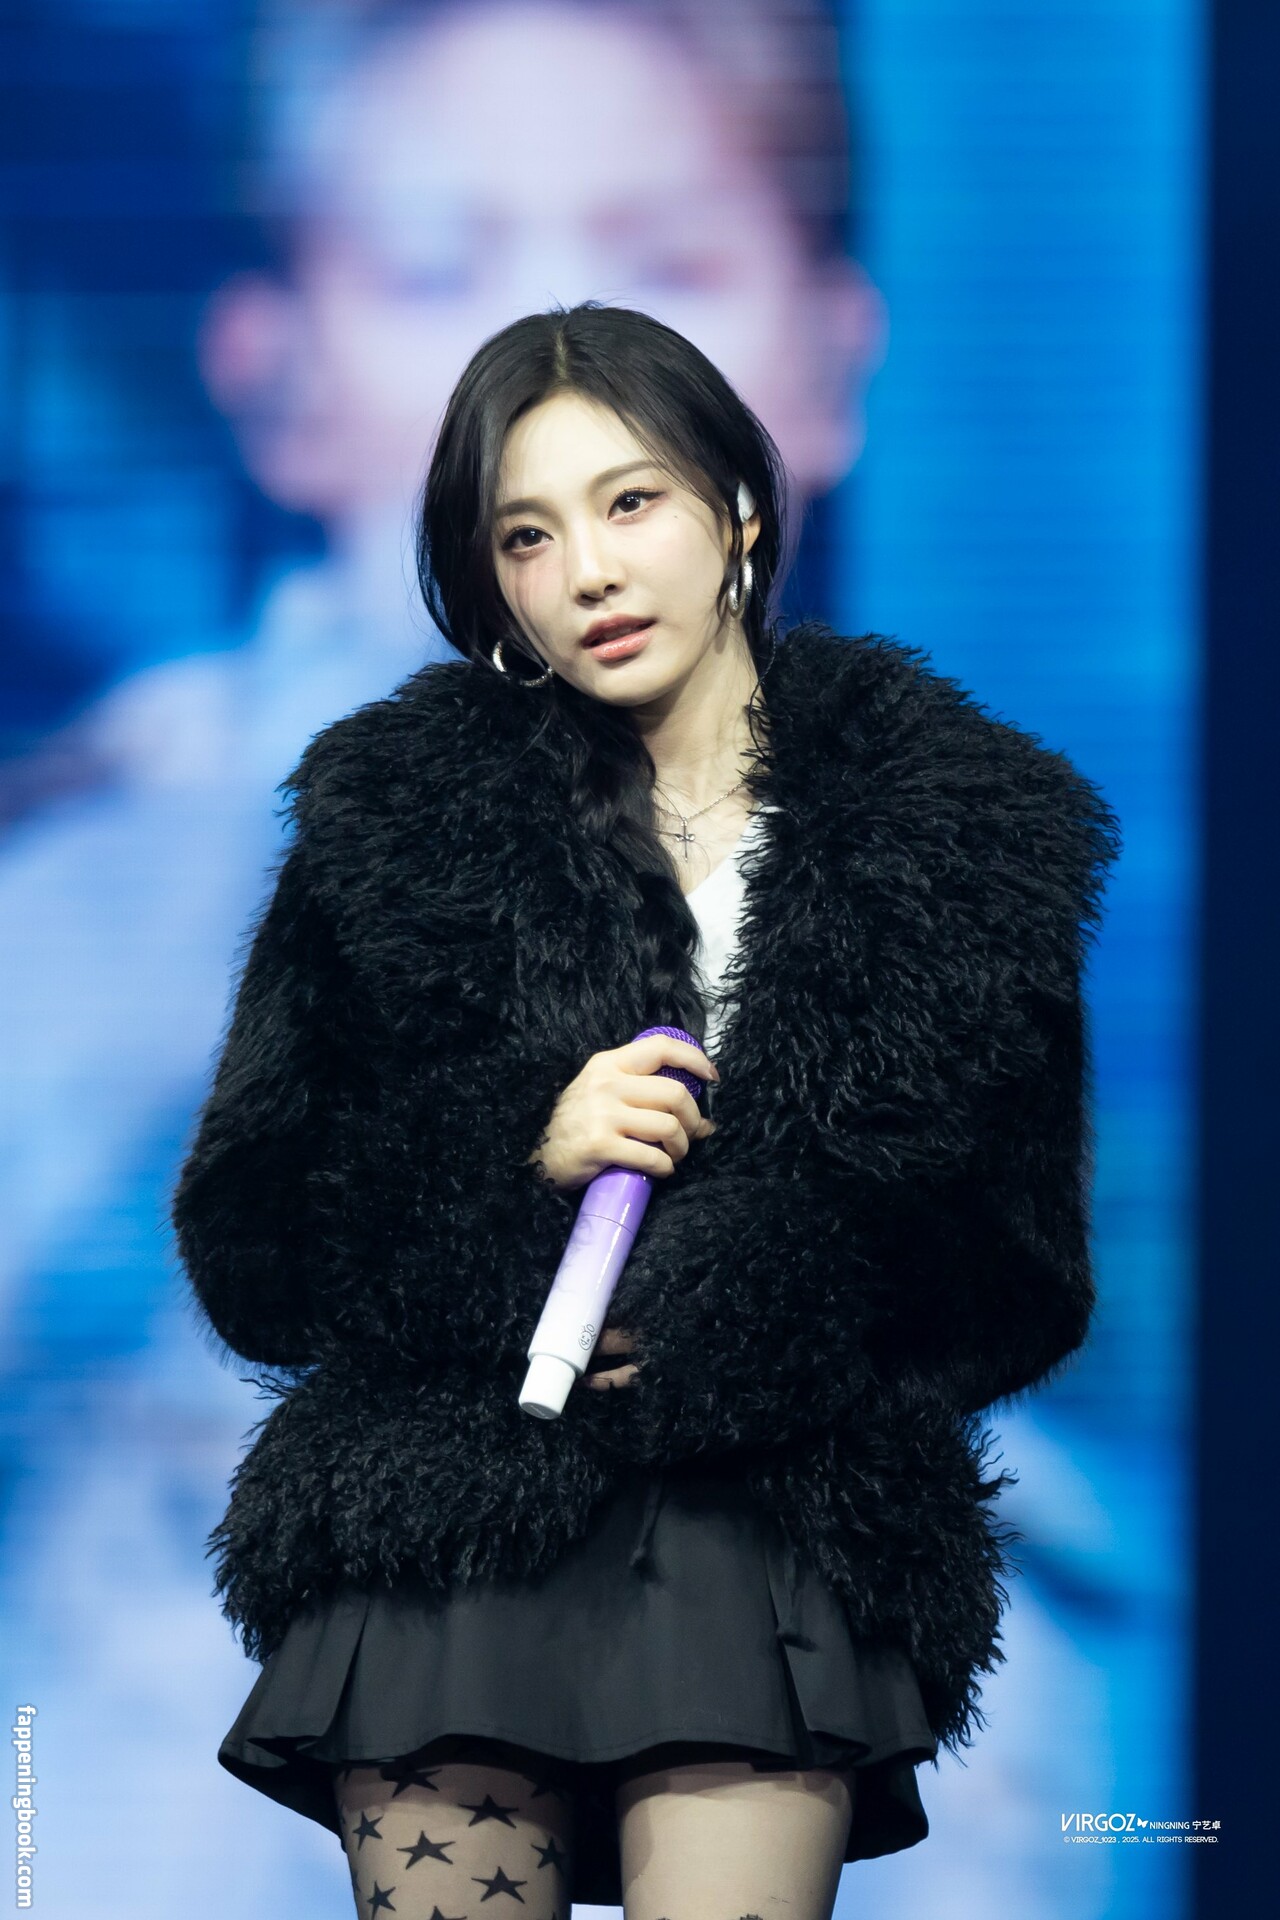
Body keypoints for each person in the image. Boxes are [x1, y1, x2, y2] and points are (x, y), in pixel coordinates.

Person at [170, 302, 1122, 1917]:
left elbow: (1017, 1275)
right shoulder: (394, 828)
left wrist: (767, 1313)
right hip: (452, 1534)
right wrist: (518, 1163)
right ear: (493, 588)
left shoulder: (961, 841)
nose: (592, 573)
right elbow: (254, 1238)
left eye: (632, 503)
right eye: (528, 537)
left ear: (737, 510)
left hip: (766, 1534)